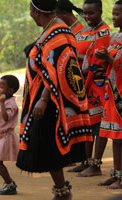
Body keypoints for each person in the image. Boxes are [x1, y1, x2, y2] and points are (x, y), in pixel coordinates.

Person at [16, 0, 93, 199]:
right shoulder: (52, 29)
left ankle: (62, 191)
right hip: (44, 97)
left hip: (51, 101)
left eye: (31, 10)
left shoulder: (59, 33)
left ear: (35, 11)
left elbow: (60, 68)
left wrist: (43, 98)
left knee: (49, 145)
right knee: (47, 145)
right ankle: (61, 190)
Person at [67, 0, 111, 176]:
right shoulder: (85, 31)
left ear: (100, 12)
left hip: (98, 85)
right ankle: (85, 161)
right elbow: (80, 54)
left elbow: (97, 60)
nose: (87, 17)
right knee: (86, 123)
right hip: (83, 84)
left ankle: (96, 164)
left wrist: (78, 59)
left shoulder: (104, 31)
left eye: (91, 13)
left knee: (98, 125)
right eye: (85, 13)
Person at [95, 0, 122, 189]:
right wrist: (103, 58)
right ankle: (116, 173)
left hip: (121, 92)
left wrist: (109, 58)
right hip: (111, 91)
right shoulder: (114, 37)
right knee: (115, 135)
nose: (113, 17)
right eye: (113, 14)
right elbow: (111, 65)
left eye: (117, 14)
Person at [0, 75, 20, 195]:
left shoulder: (11, 104)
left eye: (2, 87)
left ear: (10, 90)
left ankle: (10, 184)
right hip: (0, 137)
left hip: (7, 137)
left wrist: (1, 103)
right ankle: (8, 182)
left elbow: (6, 118)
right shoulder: (4, 101)